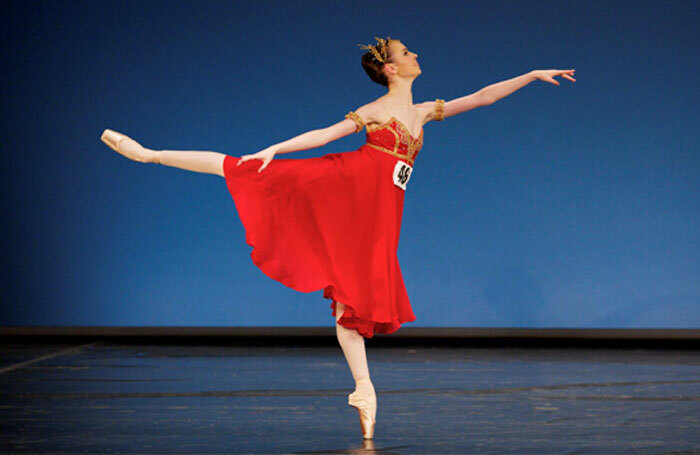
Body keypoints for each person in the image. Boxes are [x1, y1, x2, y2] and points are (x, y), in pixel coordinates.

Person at [100, 36, 575, 439]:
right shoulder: (375, 110)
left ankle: (363, 389)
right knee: (249, 169)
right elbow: (326, 134)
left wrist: (532, 74)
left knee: (357, 292)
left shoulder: (425, 112)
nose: (415, 55)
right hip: (345, 188)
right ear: (391, 67)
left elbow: (484, 96)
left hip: (380, 211)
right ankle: (151, 155)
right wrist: (276, 148)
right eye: (406, 52)